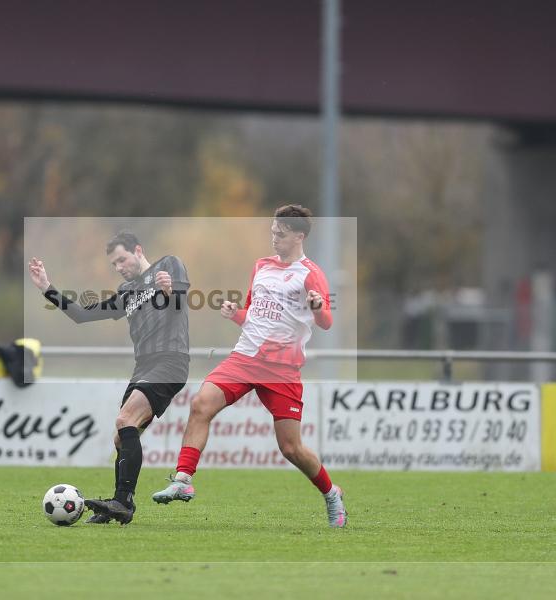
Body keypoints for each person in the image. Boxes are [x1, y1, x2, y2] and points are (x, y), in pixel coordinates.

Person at [151, 204, 347, 528]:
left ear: (299, 236)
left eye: (281, 235)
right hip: (244, 358)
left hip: (282, 369)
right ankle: (183, 478)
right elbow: (254, 315)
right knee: (201, 404)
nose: (274, 239)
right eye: (272, 232)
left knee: (291, 448)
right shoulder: (261, 266)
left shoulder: (311, 274)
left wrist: (317, 307)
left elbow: (325, 322)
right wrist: (236, 314)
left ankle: (331, 493)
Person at [28, 231, 190, 525]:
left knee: (125, 420)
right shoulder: (127, 291)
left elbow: (179, 306)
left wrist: (169, 291)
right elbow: (81, 315)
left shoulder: (169, 265)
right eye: (114, 264)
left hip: (169, 360)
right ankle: (121, 503)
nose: (119, 267)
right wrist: (46, 288)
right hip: (143, 367)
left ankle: (121, 503)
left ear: (138, 250)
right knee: (120, 437)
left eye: (122, 259)